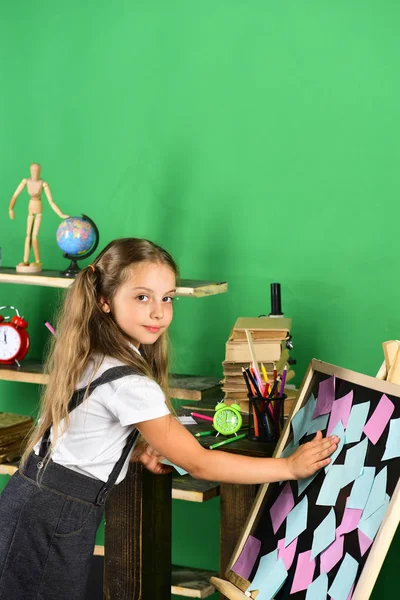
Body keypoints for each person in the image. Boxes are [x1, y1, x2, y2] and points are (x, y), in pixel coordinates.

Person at [0, 238, 338, 599]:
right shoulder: (128, 380)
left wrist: (131, 451)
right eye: (142, 297)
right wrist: (289, 467)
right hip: (55, 515)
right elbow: (200, 463)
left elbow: (80, 432)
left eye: (168, 297)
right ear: (104, 300)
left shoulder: (93, 352)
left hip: (30, 497)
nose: (159, 312)